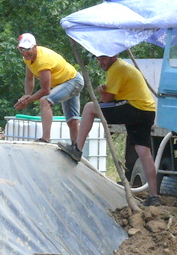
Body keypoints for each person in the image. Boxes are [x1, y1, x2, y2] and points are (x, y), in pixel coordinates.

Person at [66, 54, 159, 206]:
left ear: (113, 56)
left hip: (134, 107)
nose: (100, 62)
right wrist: (105, 92)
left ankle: (77, 148)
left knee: (90, 108)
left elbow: (105, 100)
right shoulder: (122, 67)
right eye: (98, 59)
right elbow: (112, 97)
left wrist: (101, 92)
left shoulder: (117, 68)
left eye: (104, 58)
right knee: (144, 152)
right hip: (147, 110)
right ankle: (154, 197)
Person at [14, 33, 85, 144]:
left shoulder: (43, 61)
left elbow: (45, 90)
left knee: (45, 101)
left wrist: (27, 101)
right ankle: (76, 148)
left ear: (35, 46)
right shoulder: (27, 58)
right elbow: (29, 78)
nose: (24, 52)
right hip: (64, 83)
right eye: (21, 49)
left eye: (27, 49)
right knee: (72, 120)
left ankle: (45, 138)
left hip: (73, 81)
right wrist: (26, 94)